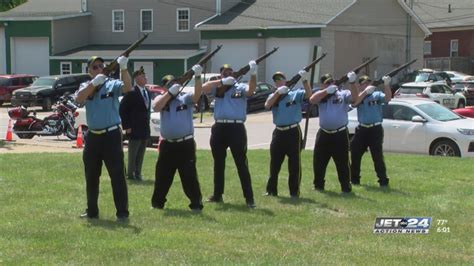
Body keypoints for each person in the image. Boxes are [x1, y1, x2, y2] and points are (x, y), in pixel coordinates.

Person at [75, 55, 132, 221]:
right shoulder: (86, 86)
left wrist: (123, 68)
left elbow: (128, 88)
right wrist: (94, 83)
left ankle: (122, 212)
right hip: (93, 136)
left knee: (117, 175)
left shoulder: (111, 84)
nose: (99, 69)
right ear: (89, 71)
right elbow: (79, 99)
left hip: (111, 135)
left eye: (101, 66)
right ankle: (92, 211)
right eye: (95, 67)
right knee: (91, 176)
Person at [201, 61, 258, 208]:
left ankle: (249, 198)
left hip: (236, 128)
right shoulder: (217, 87)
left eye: (229, 72)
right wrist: (221, 82)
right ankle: (217, 194)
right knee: (218, 163)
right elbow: (203, 88)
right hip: (219, 127)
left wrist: (253, 73)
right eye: (224, 72)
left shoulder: (240, 87)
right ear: (221, 75)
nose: (227, 73)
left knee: (241, 164)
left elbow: (251, 91)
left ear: (234, 74)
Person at [150, 65, 204, 211]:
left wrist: (198, 77)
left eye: (173, 84)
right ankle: (157, 203)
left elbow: (197, 95)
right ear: (164, 87)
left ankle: (196, 203)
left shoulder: (184, 98)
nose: (172, 86)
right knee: (162, 175)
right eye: (168, 85)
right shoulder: (161, 98)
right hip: (168, 144)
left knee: (189, 175)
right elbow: (156, 107)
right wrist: (169, 94)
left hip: (185, 143)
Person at [263, 70, 312, 198]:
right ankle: (271, 190)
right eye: (276, 80)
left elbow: (309, 95)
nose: (279, 81)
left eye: (281, 78)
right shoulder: (274, 95)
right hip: (279, 131)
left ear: (286, 80)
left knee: (294, 163)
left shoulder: (294, 94)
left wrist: (305, 80)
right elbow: (267, 105)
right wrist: (278, 93)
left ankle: (294, 192)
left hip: (293, 131)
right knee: (275, 163)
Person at [308, 72, 359, 193]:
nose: (330, 84)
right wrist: (326, 91)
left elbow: (355, 98)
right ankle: (318, 185)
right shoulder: (321, 95)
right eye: (327, 83)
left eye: (331, 82)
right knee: (319, 161)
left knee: (343, 162)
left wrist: (352, 82)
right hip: (324, 133)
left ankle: (345, 187)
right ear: (322, 85)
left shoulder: (342, 94)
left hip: (340, 134)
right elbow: (312, 100)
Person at [350, 75, 392, 187]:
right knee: (355, 154)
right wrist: (365, 93)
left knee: (377, 156)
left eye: (369, 82)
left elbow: (388, 98)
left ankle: (383, 180)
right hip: (362, 128)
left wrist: (387, 85)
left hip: (375, 129)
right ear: (360, 85)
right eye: (364, 83)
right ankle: (354, 179)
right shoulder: (358, 96)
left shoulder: (376, 94)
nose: (367, 84)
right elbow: (355, 103)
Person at [119, 66, 151, 181]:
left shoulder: (147, 91)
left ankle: (138, 173)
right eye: (143, 76)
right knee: (133, 153)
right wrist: (127, 126)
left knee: (141, 153)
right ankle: (131, 174)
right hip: (134, 128)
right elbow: (122, 109)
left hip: (144, 128)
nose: (145, 78)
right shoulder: (131, 92)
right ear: (137, 78)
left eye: (145, 76)